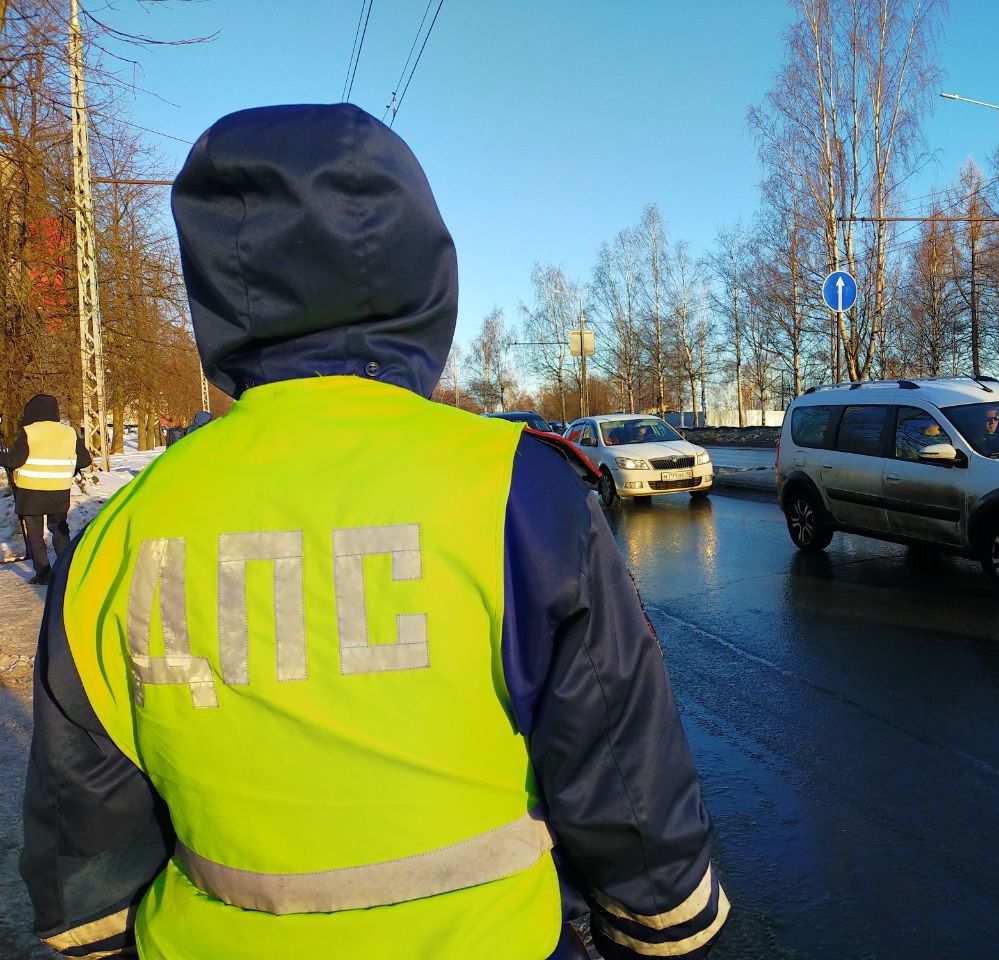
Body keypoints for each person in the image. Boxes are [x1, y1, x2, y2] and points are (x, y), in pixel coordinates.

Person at [21, 104, 727, 960]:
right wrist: (658, 924)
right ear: (424, 272)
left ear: (216, 281)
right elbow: (622, 774)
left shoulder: (122, 533)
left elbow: (83, 846)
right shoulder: (518, 492)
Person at [0, 394, 90, 584]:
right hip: (59, 490)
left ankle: (43, 573)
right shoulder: (69, 432)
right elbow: (84, 460)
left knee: (35, 533)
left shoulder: (29, 431)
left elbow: (15, 460)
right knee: (59, 529)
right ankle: (66, 568)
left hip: (31, 492)